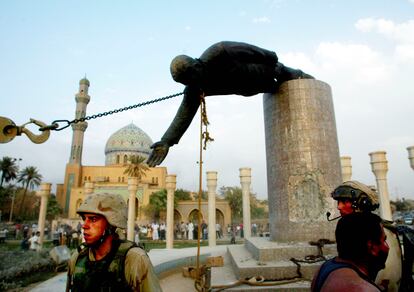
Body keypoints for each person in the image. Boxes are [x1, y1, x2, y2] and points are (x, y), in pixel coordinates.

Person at [147, 41, 314, 167]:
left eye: (191, 77)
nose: (191, 82)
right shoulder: (195, 88)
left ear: (195, 65)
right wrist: (167, 140)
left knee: (296, 78)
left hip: (265, 70)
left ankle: (296, 74)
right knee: (275, 89)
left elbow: (248, 50)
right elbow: (184, 114)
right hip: (254, 87)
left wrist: (270, 58)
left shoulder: (218, 52)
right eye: (186, 81)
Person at [66, 193, 162, 292]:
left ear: (111, 224)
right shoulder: (78, 257)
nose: (84, 225)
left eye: (93, 219)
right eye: (84, 219)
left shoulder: (134, 260)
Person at [330, 180, 403, 292]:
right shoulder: (346, 229)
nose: (339, 207)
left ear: (364, 203)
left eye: (344, 202)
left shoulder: (379, 231)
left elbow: (388, 280)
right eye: (338, 202)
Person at [312, 212, 389, 291]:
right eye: (384, 240)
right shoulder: (362, 289)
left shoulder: (324, 268)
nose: (387, 247)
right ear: (372, 247)